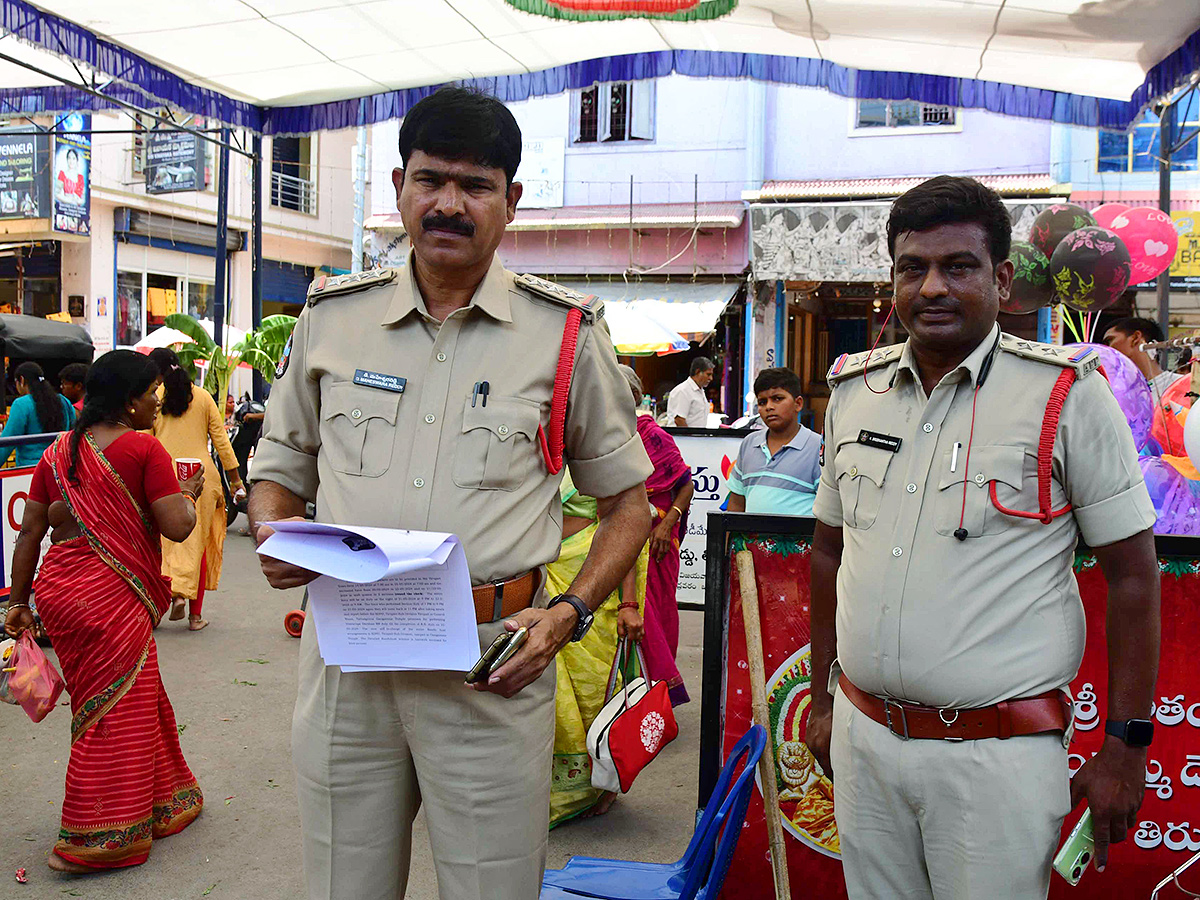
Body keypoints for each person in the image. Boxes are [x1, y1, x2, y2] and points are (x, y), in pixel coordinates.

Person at [247, 86, 652, 900]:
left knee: (489, 887)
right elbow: (279, 464)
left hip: (491, 661)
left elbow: (628, 506)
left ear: (513, 201)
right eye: (431, 180)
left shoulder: (565, 332)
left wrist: (567, 616)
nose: (449, 204)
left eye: (475, 186)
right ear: (399, 183)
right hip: (346, 659)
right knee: (343, 883)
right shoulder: (332, 316)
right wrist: (272, 529)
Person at [805, 176, 1160, 899]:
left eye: (958, 267)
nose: (932, 286)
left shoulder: (1067, 393)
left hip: (996, 758)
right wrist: (820, 699)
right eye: (913, 268)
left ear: (1000, 279)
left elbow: (1133, 575)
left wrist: (1127, 745)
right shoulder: (852, 392)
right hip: (864, 742)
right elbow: (827, 552)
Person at [3, 350, 205, 872]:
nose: (159, 401)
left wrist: (19, 603)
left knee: (130, 692)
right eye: (153, 392)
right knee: (111, 709)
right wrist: (187, 494)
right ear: (130, 400)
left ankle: (166, 801)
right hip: (109, 596)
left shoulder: (57, 453)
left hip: (59, 595)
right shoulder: (142, 449)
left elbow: (30, 532)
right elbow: (177, 527)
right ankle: (98, 835)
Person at [548, 469, 648, 824]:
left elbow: (626, 529)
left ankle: (603, 784)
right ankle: (559, 789)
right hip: (542, 575)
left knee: (595, 689)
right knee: (553, 690)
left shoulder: (600, 454)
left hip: (590, 581)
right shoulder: (537, 448)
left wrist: (629, 603)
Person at [147, 348, 246, 631]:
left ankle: (160, 607)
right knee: (197, 544)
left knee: (162, 546)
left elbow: (145, 439)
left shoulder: (153, 398)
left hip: (164, 474)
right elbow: (221, 442)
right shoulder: (202, 397)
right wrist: (236, 480)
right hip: (201, 476)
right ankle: (194, 616)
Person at [619, 364, 692, 705]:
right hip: (621, 538)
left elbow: (685, 484)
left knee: (656, 614)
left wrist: (667, 523)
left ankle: (660, 693)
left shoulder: (653, 434)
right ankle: (634, 693)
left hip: (658, 540)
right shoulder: (606, 435)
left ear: (633, 396)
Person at [727, 367, 821, 515]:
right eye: (762, 402)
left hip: (800, 538)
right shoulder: (749, 444)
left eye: (777, 399)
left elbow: (828, 510)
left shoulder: (818, 448)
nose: (769, 407)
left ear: (798, 404)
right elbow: (737, 503)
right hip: (751, 537)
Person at [0, 361, 76, 468]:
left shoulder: (21, 404)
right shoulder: (64, 401)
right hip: (61, 467)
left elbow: (6, 443)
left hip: (30, 470)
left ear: (21, 380)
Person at [666, 356, 714, 427]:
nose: (711, 378)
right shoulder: (683, 391)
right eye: (708, 374)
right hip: (684, 437)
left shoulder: (700, 391)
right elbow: (679, 420)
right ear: (697, 372)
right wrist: (690, 436)